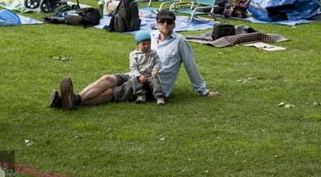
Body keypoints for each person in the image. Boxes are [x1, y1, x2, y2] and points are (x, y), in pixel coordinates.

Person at [49, 9, 219, 110]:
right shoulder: (150, 36)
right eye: (162, 22)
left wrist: (203, 91)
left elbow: (191, 66)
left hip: (153, 83)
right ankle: (71, 100)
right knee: (107, 78)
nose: (165, 25)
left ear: (174, 24)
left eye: (169, 22)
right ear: (157, 23)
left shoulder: (180, 42)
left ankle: (73, 100)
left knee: (111, 93)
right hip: (135, 74)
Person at [129, 31, 165, 105]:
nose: (146, 46)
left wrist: (155, 70)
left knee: (155, 82)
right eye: (143, 44)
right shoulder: (134, 54)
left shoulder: (153, 53)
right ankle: (140, 96)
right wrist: (139, 75)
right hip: (139, 75)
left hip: (150, 75)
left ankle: (159, 97)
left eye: (148, 43)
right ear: (138, 44)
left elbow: (158, 62)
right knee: (135, 81)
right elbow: (133, 67)